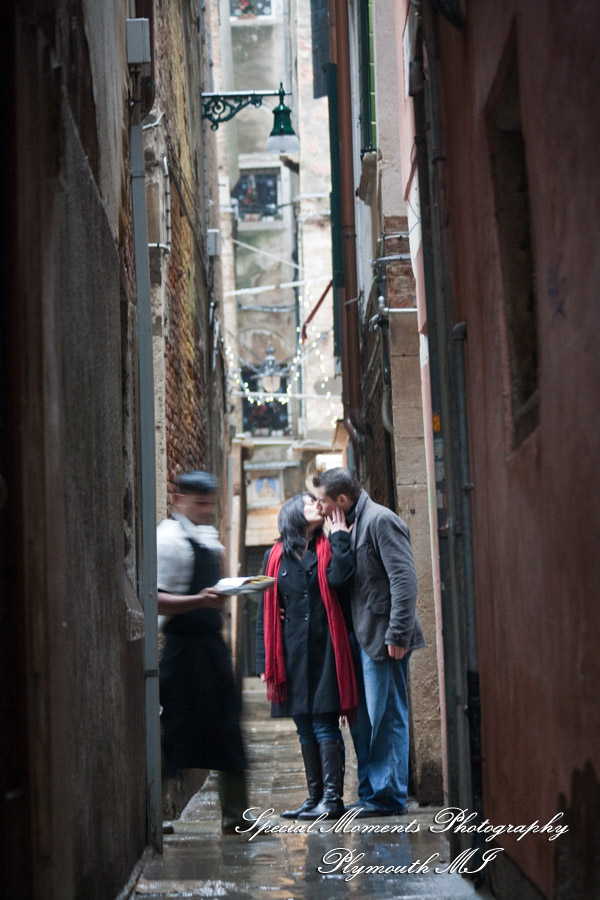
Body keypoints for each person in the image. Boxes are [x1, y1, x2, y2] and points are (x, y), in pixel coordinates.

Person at [312, 467, 425, 817]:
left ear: (341, 501)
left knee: (389, 716)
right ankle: (376, 792)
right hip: (366, 638)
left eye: (322, 501)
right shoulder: (349, 523)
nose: (318, 508)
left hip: (385, 638)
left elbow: (404, 580)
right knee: (374, 718)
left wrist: (397, 633)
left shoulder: (380, 520)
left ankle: (388, 797)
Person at [157, 470, 250, 835]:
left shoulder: (210, 539)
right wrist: (201, 600)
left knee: (228, 727)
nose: (207, 510)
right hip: (183, 652)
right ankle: (156, 812)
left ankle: (236, 815)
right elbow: (156, 599)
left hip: (212, 649)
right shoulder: (168, 541)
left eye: (210, 503)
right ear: (180, 501)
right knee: (175, 730)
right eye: (200, 503)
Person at [256, 492, 357, 820]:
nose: (319, 505)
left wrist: (341, 540)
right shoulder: (275, 557)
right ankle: (314, 798)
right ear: (294, 515)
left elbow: (342, 580)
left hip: (326, 647)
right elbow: (264, 610)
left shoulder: (328, 547)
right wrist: (263, 661)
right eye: (311, 502)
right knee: (303, 726)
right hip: (291, 651)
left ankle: (332, 799)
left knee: (324, 721)